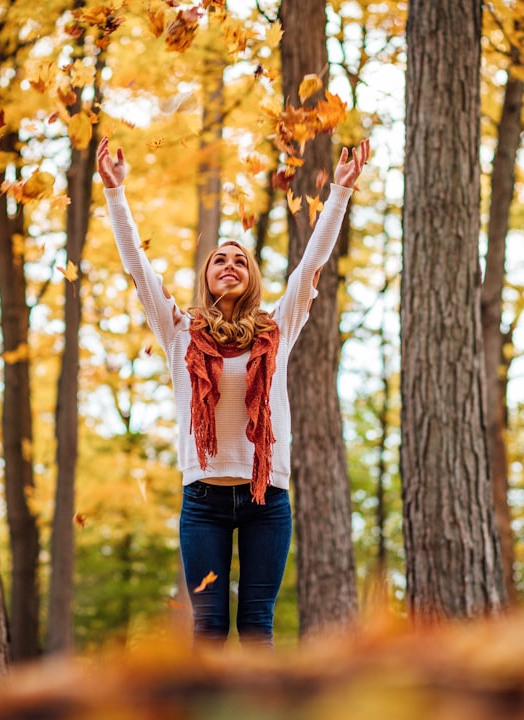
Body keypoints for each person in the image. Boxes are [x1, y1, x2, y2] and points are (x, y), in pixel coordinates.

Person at [97, 135, 370, 647]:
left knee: (257, 624)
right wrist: (115, 192)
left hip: (268, 498)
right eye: (220, 259)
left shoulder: (277, 329)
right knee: (209, 627)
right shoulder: (179, 332)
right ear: (206, 276)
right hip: (203, 499)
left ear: (251, 279)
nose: (229, 264)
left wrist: (340, 192)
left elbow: (310, 264)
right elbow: (137, 266)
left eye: (240, 261)